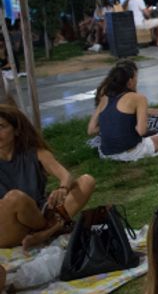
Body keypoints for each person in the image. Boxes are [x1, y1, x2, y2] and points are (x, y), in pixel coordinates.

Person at [0, 104, 96, 249]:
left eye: (1, 126)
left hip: (40, 213)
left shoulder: (35, 153)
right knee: (15, 198)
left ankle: (44, 234)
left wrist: (63, 188)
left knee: (87, 181)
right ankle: (52, 229)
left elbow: (65, 175)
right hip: (9, 224)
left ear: (16, 130)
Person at [87, 60, 158, 160]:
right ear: (130, 81)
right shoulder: (138, 98)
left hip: (105, 154)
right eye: (136, 77)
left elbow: (91, 130)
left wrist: (114, 124)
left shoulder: (105, 97)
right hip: (131, 152)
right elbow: (142, 131)